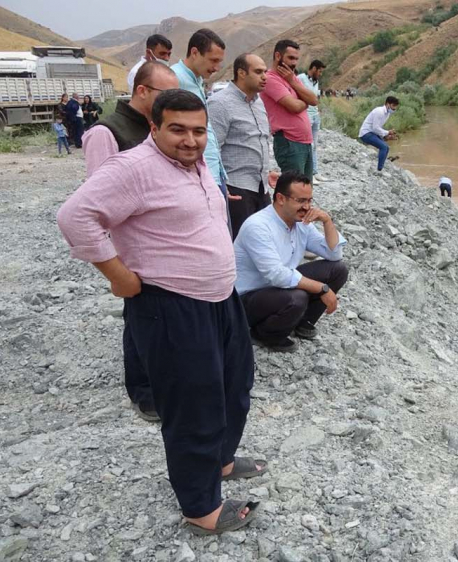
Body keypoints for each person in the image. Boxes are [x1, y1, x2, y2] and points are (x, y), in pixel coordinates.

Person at [56, 89, 262, 535]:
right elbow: (74, 216)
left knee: (234, 385)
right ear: (154, 127)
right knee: (193, 406)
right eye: (178, 130)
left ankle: (221, 462)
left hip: (220, 299)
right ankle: (201, 509)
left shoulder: (195, 162)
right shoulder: (134, 168)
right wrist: (119, 276)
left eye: (198, 131)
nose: (190, 140)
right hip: (172, 306)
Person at [81, 62, 180, 422]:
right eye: (164, 94)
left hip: (162, 242)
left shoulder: (153, 128)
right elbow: (95, 202)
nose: (169, 101)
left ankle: (164, 379)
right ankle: (143, 391)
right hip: (132, 247)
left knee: (162, 315)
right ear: (142, 91)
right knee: (140, 318)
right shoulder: (106, 133)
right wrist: (113, 265)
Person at [234, 171, 348, 352]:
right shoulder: (258, 226)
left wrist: (327, 221)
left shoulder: (301, 223)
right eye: (301, 201)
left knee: (338, 270)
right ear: (280, 198)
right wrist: (322, 289)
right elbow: (277, 275)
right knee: (297, 298)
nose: (307, 207)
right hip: (247, 298)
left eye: (310, 200)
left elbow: (334, 255)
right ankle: (264, 334)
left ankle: (301, 323)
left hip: (275, 288)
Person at [209, 53, 279, 239]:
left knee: (261, 242)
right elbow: (211, 149)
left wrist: (265, 170)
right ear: (241, 73)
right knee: (240, 244)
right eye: (258, 72)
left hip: (261, 187)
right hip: (236, 189)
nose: (265, 76)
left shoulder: (259, 103)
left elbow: (255, 141)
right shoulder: (220, 103)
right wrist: (219, 186)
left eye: (265, 71)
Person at [84, 61, 179, 177]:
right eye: (168, 94)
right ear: (142, 91)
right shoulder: (104, 132)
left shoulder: (160, 127)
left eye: (176, 95)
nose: (173, 101)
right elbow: (100, 190)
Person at [172, 28, 228, 193]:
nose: (217, 68)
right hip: (195, 177)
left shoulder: (196, 80)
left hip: (211, 172)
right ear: (195, 52)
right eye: (213, 60)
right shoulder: (175, 78)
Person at [261, 40, 318, 176]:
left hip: (304, 142)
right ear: (278, 56)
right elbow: (294, 107)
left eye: (296, 59)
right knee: (294, 191)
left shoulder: (290, 77)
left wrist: (292, 81)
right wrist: (305, 101)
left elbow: (314, 100)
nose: (294, 63)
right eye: (291, 58)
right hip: (289, 143)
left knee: (305, 190)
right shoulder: (270, 79)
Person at [296, 59, 328, 184]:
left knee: (314, 145)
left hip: (315, 115)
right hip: (306, 116)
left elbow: (314, 97)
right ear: (313, 68)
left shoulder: (316, 82)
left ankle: (315, 171)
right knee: (308, 145)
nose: (320, 74)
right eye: (319, 71)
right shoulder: (301, 78)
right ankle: (308, 175)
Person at [358, 96, 399, 172]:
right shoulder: (379, 112)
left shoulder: (387, 114)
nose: (394, 109)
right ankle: (379, 170)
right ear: (387, 104)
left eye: (395, 107)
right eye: (393, 106)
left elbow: (378, 129)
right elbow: (375, 128)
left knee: (387, 147)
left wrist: (387, 136)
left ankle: (382, 165)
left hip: (372, 133)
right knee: (383, 147)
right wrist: (388, 132)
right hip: (366, 133)